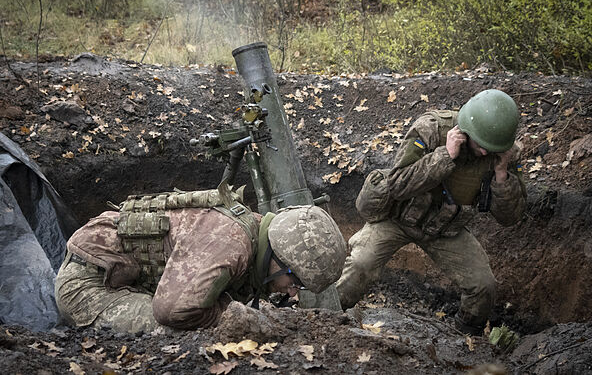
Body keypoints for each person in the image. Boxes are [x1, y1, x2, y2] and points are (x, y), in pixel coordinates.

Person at [336, 89, 527, 335]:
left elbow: (511, 218)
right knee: (360, 265)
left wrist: (502, 177)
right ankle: (327, 316)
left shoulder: (504, 152)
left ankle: (466, 337)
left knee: (483, 286)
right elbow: (398, 184)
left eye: (493, 149)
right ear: (468, 130)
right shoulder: (431, 129)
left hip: (446, 229)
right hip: (398, 218)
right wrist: (444, 156)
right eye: (482, 145)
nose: (485, 153)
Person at [55, 182, 346, 333]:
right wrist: (231, 317)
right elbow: (172, 312)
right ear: (277, 254)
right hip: (90, 282)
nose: (293, 292)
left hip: (128, 277)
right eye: (295, 280)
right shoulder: (231, 243)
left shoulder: (252, 232)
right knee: (176, 331)